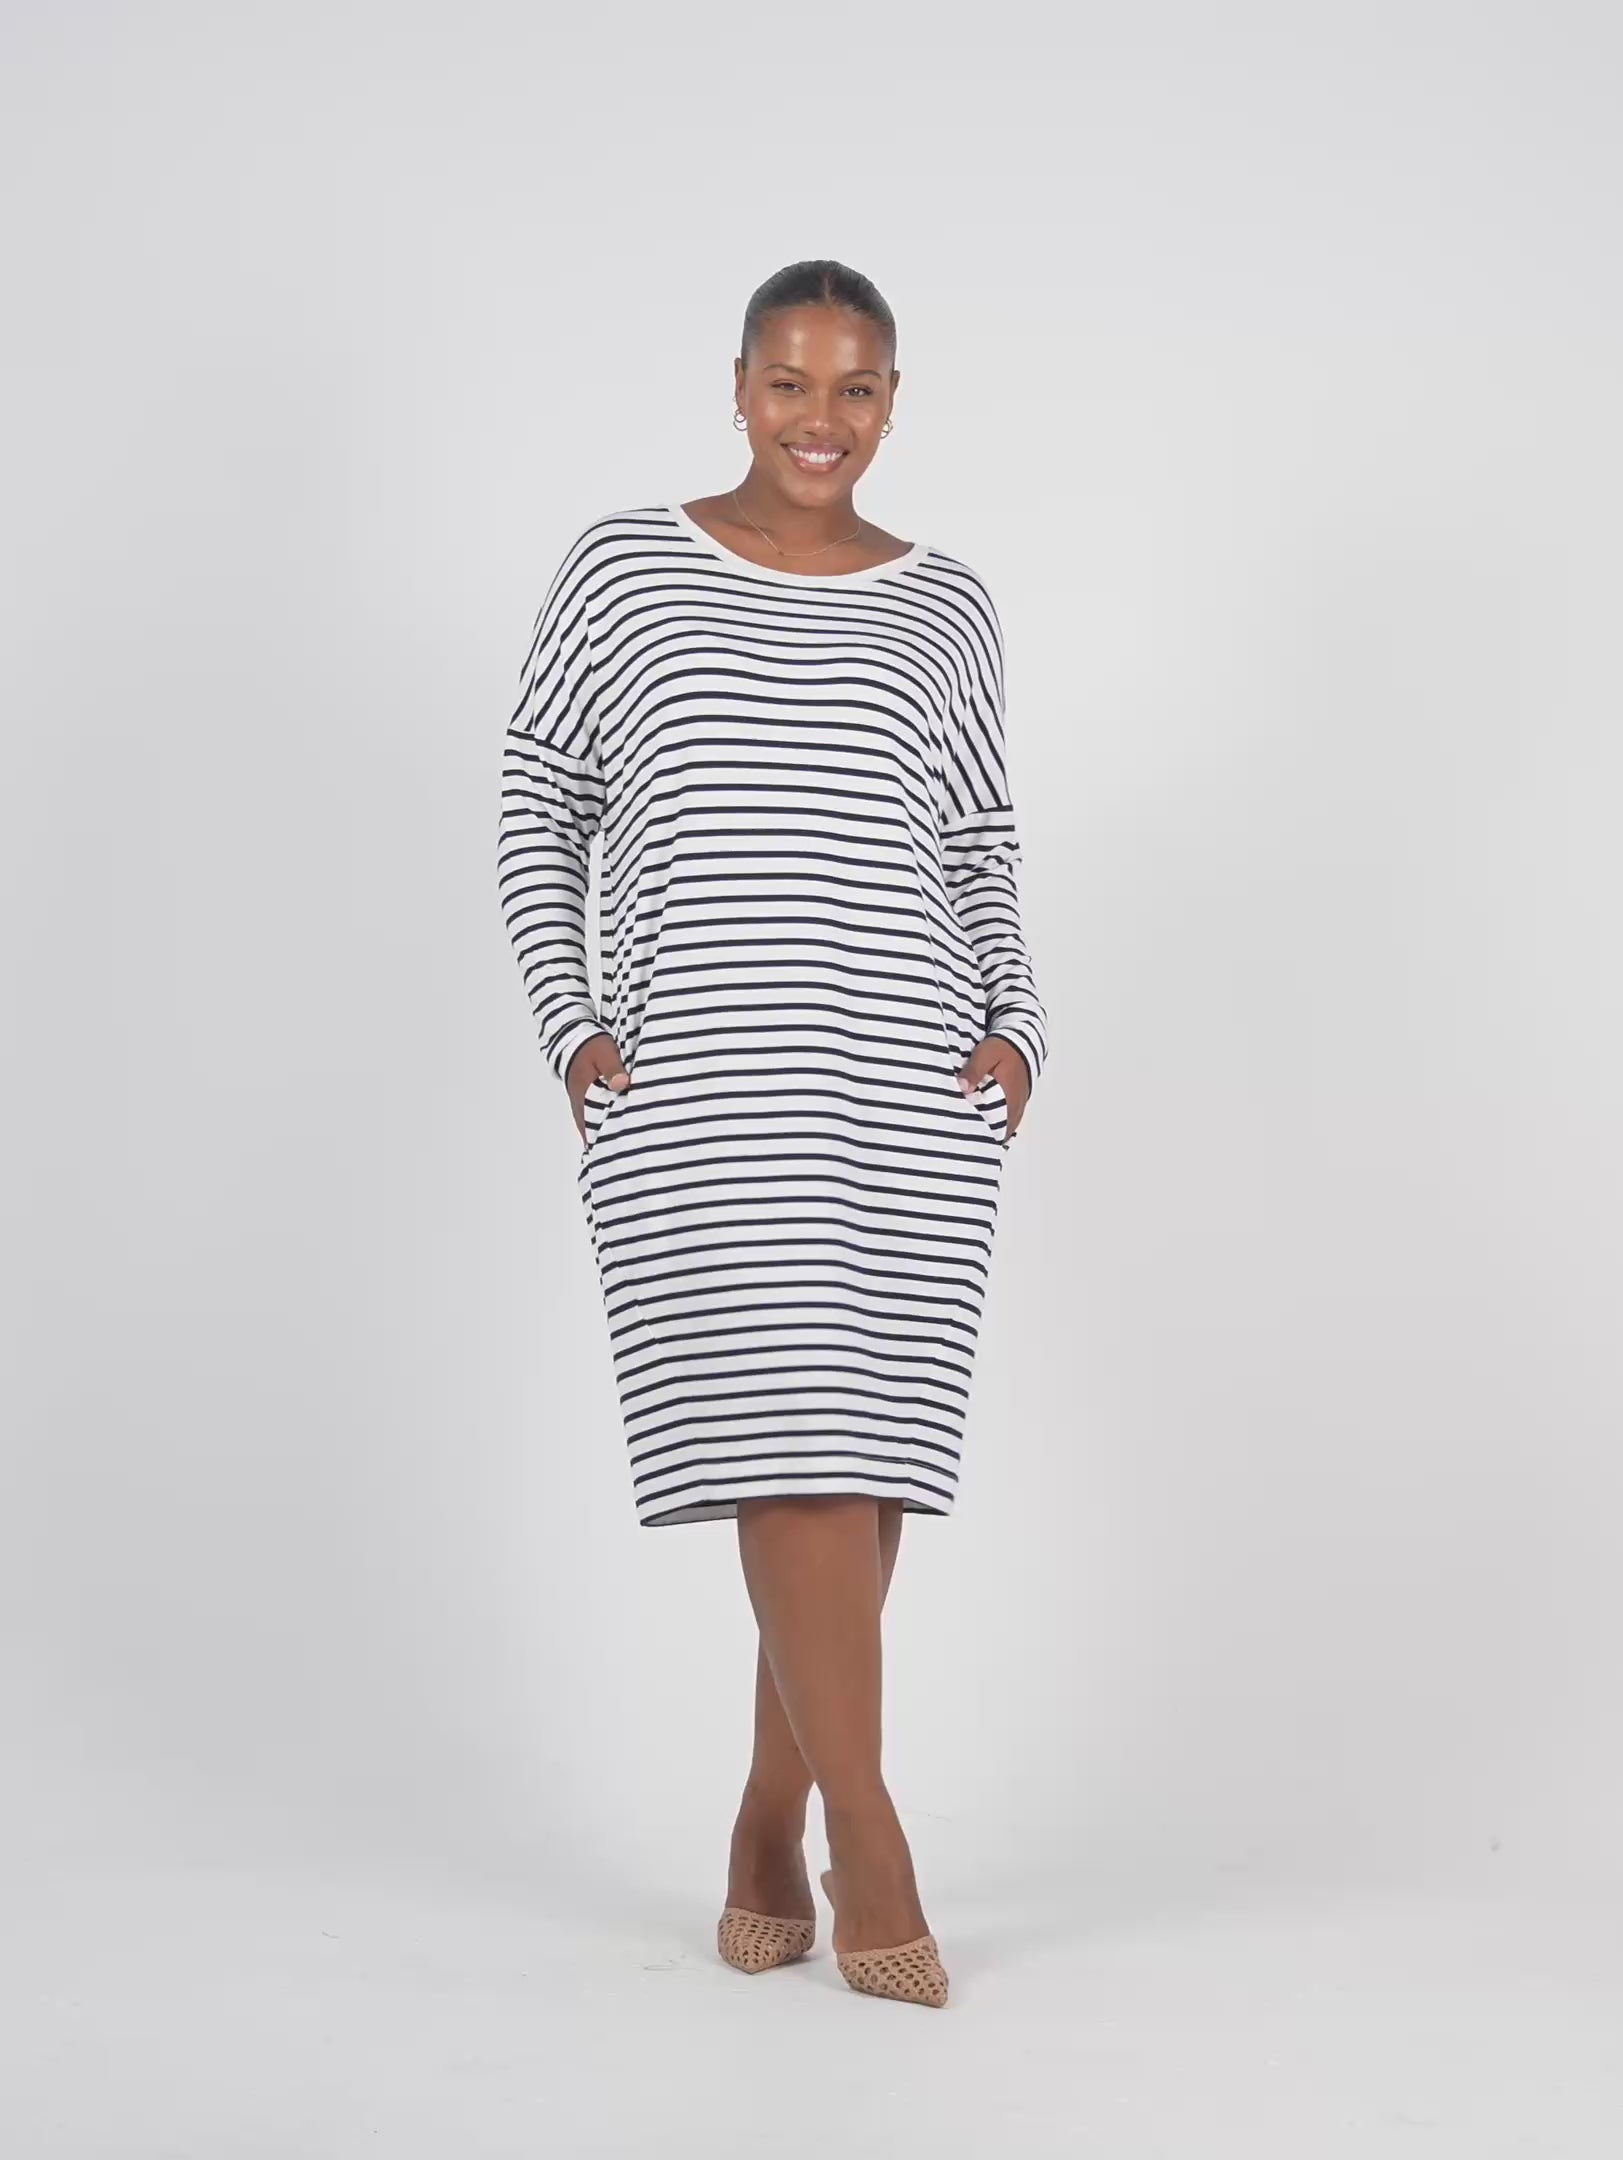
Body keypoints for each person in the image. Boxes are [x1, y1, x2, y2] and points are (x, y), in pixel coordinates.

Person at [496, 259, 1048, 2008]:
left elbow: (979, 841)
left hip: (907, 1089)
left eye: (856, 388)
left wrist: (1016, 1021)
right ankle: (870, 1840)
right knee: (794, 1448)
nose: (823, 420)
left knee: (862, 1469)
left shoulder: (947, 604)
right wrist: (573, 1022)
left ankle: (765, 1816)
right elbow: (541, 798)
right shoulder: (624, 569)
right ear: (737, 386)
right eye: (791, 382)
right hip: (705, 1093)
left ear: (894, 402)